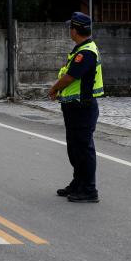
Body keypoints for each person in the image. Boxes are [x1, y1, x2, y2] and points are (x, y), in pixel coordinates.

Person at [48, 12, 104, 203]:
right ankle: (78, 182)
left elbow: (70, 76)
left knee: (83, 148)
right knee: (75, 147)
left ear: (76, 30)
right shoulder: (80, 49)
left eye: (70, 27)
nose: (69, 31)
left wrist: (54, 88)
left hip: (83, 107)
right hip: (74, 107)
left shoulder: (86, 52)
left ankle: (89, 189)